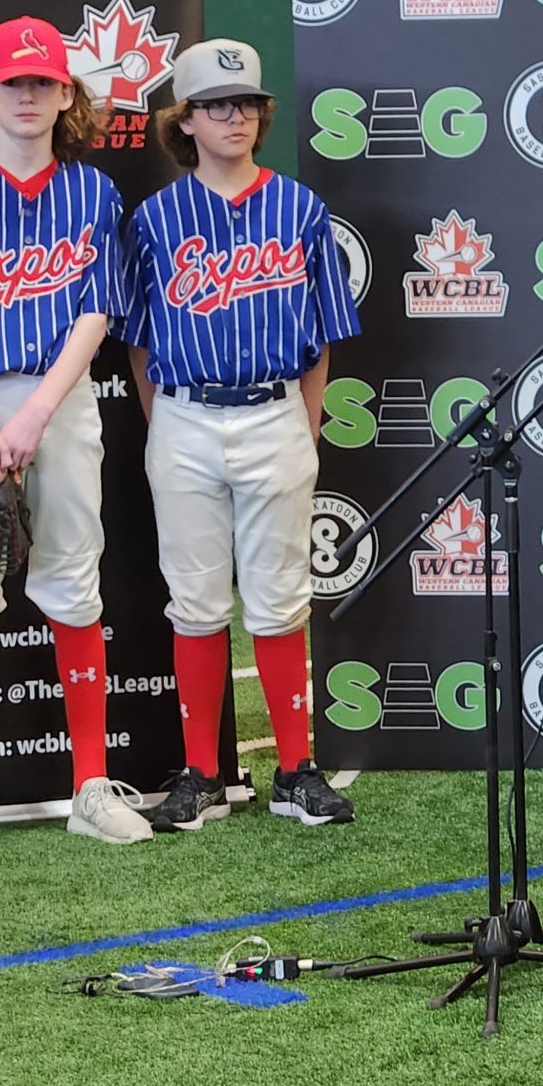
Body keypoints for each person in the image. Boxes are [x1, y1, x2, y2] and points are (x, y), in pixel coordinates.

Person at [0, 15, 150, 862]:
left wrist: (37, 415)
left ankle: (89, 784)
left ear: (65, 94)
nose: (28, 96)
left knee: (73, 583)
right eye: (13, 82)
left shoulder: (93, 193)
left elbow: (96, 313)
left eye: (42, 82)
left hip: (62, 397)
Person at [123, 40, 360, 829]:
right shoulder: (155, 219)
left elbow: (323, 332)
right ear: (183, 121)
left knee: (280, 601)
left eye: (247, 103)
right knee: (194, 603)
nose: (236, 117)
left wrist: (307, 421)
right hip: (187, 412)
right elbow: (137, 338)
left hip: (274, 409)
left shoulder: (299, 208)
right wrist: (168, 423)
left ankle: (296, 769)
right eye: (216, 104)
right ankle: (201, 773)